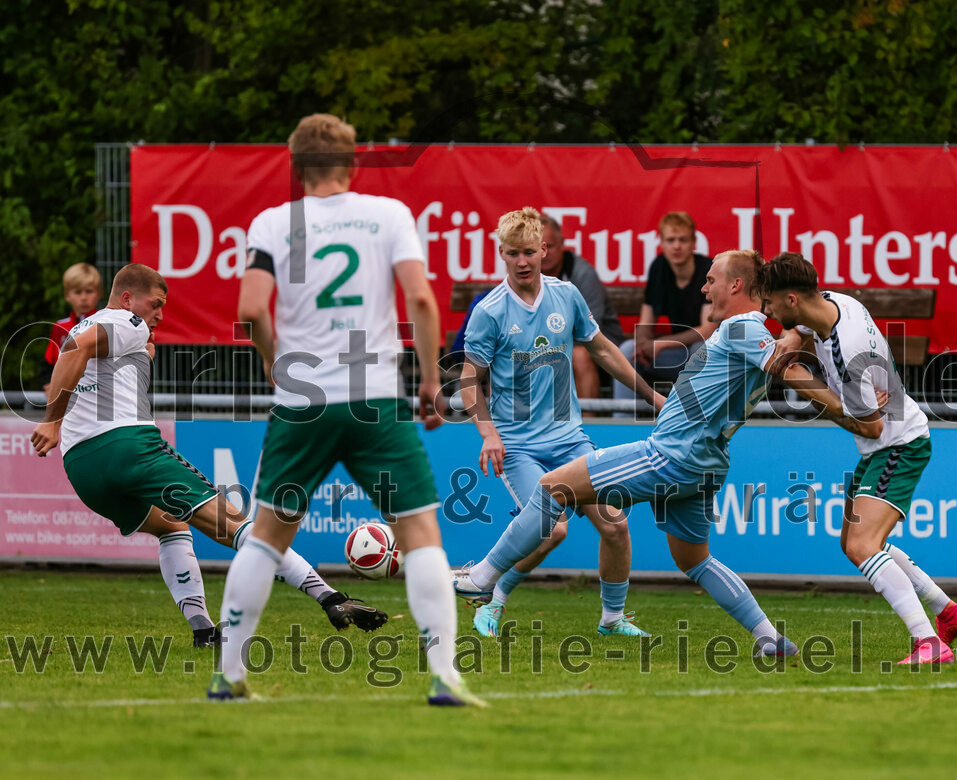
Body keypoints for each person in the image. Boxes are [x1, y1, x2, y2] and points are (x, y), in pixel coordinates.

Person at [455, 249, 881, 657]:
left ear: (736, 285)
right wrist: (797, 334)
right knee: (694, 560)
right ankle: (769, 636)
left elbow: (788, 369)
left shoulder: (744, 327)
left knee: (552, 489)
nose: (703, 288)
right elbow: (785, 358)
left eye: (711, 279)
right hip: (706, 463)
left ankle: (482, 579)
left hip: (672, 455)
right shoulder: (749, 330)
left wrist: (850, 413)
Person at [212, 113, 484, 706]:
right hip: (374, 399)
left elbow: (252, 306)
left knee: (264, 538)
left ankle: (228, 675)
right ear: (353, 162)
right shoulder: (387, 214)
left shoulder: (271, 222)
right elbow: (419, 298)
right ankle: (444, 675)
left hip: (301, 401)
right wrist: (432, 381)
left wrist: (272, 359)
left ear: (295, 167)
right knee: (419, 533)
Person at [29, 264, 377, 649]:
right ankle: (330, 598)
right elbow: (81, 350)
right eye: (155, 304)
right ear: (128, 298)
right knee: (237, 525)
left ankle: (203, 631)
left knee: (171, 527)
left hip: (82, 467)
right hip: (126, 448)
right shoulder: (127, 320)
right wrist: (52, 419)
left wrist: (137, 360)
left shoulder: (86, 326)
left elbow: (79, 355)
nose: (160, 314)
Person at [758, 253, 957, 665]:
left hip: (896, 444)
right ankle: (949, 612)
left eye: (769, 303)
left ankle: (928, 642)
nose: (766, 312)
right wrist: (792, 337)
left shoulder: (847, 353)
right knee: (854, 544)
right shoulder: (837, 303)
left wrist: (818, 395)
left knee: (862, 545)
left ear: (789, 299)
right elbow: (804, 326)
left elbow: (871, 426)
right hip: (888, 442)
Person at [460, 207, 665, 638]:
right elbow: (468, 380)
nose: (521, 262)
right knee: (551, 529)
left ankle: (612, 619)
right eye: (512, 253)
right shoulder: (489, 311)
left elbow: (604, 350)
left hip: (569, 439)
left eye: (529, 252)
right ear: (501, 253)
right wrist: (488, 433)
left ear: (544, 250)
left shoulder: (566, 296)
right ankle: (489, 595)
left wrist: (650, 396)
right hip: (518, 446)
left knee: (615, 524)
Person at [613, 212, 716, 413]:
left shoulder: (708, 269)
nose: (676, 246)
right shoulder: (659, 267)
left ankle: (695, 421)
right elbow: (646, 320)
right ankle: (622, 419)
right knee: (627, 350)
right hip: (676, 352)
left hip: (706, 354)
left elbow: (707, 330)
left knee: (700, 349)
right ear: (661, 242)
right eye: (671, 240)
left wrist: (660, 344)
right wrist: (643, 345)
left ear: (694, 242)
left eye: (683, 240)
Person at [539, 215, 626, 406]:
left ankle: (586, 426)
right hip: (552, 345)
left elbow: (589, 332)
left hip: (599, 346)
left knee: (579, 355)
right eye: (537, 247)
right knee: (508, 355)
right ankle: (505, 427)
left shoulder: (582, 274)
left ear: (562, 244)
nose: (544, 253)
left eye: (550, 246)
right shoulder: (527, 274)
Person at [41, 262, 103, 391]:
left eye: (89, 291)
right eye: (78, 292)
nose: (84, 297)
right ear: (67, 295)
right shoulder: (59, 327)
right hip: (67, 398)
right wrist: (49, 383)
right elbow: (49, 364)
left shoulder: (106, 324)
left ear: (99, 293)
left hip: (97, 395)